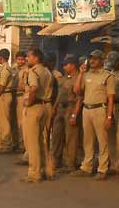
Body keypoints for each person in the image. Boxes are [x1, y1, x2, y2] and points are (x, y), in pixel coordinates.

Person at [75, 49, 116, 179]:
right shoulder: (86, 74)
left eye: (96, 58)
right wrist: (81, 73)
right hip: (86, 109)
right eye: (91, 58)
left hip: (100, 110)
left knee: (102, 140)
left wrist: (109, 117)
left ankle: (102, 169)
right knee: (87, 140)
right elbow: (77, 91)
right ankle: (87, 167)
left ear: (102, 61)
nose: (92, 61)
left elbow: (111, 98)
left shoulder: (108, 76)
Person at [22, 48, 54, 183]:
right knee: (43, 140)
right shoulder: (47, 71)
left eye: (29, 56)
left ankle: (34, 172)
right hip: (46, 106)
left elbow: (33, 88)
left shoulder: (33, 71)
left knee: (32, 141)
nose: (27, 59)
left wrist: (29, 101)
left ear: (36, 58)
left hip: (35, 107)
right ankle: (48, 170)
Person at [51, 55, 80, 173]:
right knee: (57, 136)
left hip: (71, 108)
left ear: (73, 65)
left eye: (66, 64)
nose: (64, 66)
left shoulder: (78, 78)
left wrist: (74, 114)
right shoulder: (64, 78)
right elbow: (59, 94)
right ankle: (56, 160)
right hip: (60, 108)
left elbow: (79, 98)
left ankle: (70, 163)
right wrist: (54, 107)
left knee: (71, 137)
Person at [12, 51, 28, 153]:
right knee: (15, 123)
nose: (20, 61)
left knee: (22, 123)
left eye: (22, 59)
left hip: (22, 96)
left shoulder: (26, 70)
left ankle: (23, 145)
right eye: (18, 59)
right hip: (14, 96)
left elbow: (25, 86)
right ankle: (17, 143)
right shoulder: (14, 69)